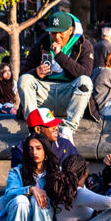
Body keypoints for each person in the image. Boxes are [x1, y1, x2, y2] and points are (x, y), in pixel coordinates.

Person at [17, 11, 95, 139]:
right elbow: (23, 74)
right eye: (53, 33)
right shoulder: (42, 43)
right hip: (44, 93)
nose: (57, 37)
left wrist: (59, 56)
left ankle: (68, 129)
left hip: (69, 95)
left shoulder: (84, 46)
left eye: (61, 33)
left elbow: (85, 73)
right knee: (25, 80)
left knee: (85, 82)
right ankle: (34, 127)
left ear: (70, 30)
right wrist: (36, 72)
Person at [0, 133, 57, 221]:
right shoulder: (17, 172)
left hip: (43, 220)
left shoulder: (55, 171)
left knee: (38, 199)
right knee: (21, 201)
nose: (34, 152)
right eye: (30, 149)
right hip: (20, 217)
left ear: (45, 150)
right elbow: (9, 194)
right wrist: (31, 189)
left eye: (38, 148)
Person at [10, 107, 78, 168]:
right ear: (38, 129)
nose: (56, 128)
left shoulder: (65, 145)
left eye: (55, 124)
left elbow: (80, 169)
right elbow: (20, 178)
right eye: (51, 125)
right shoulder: (21, 151)